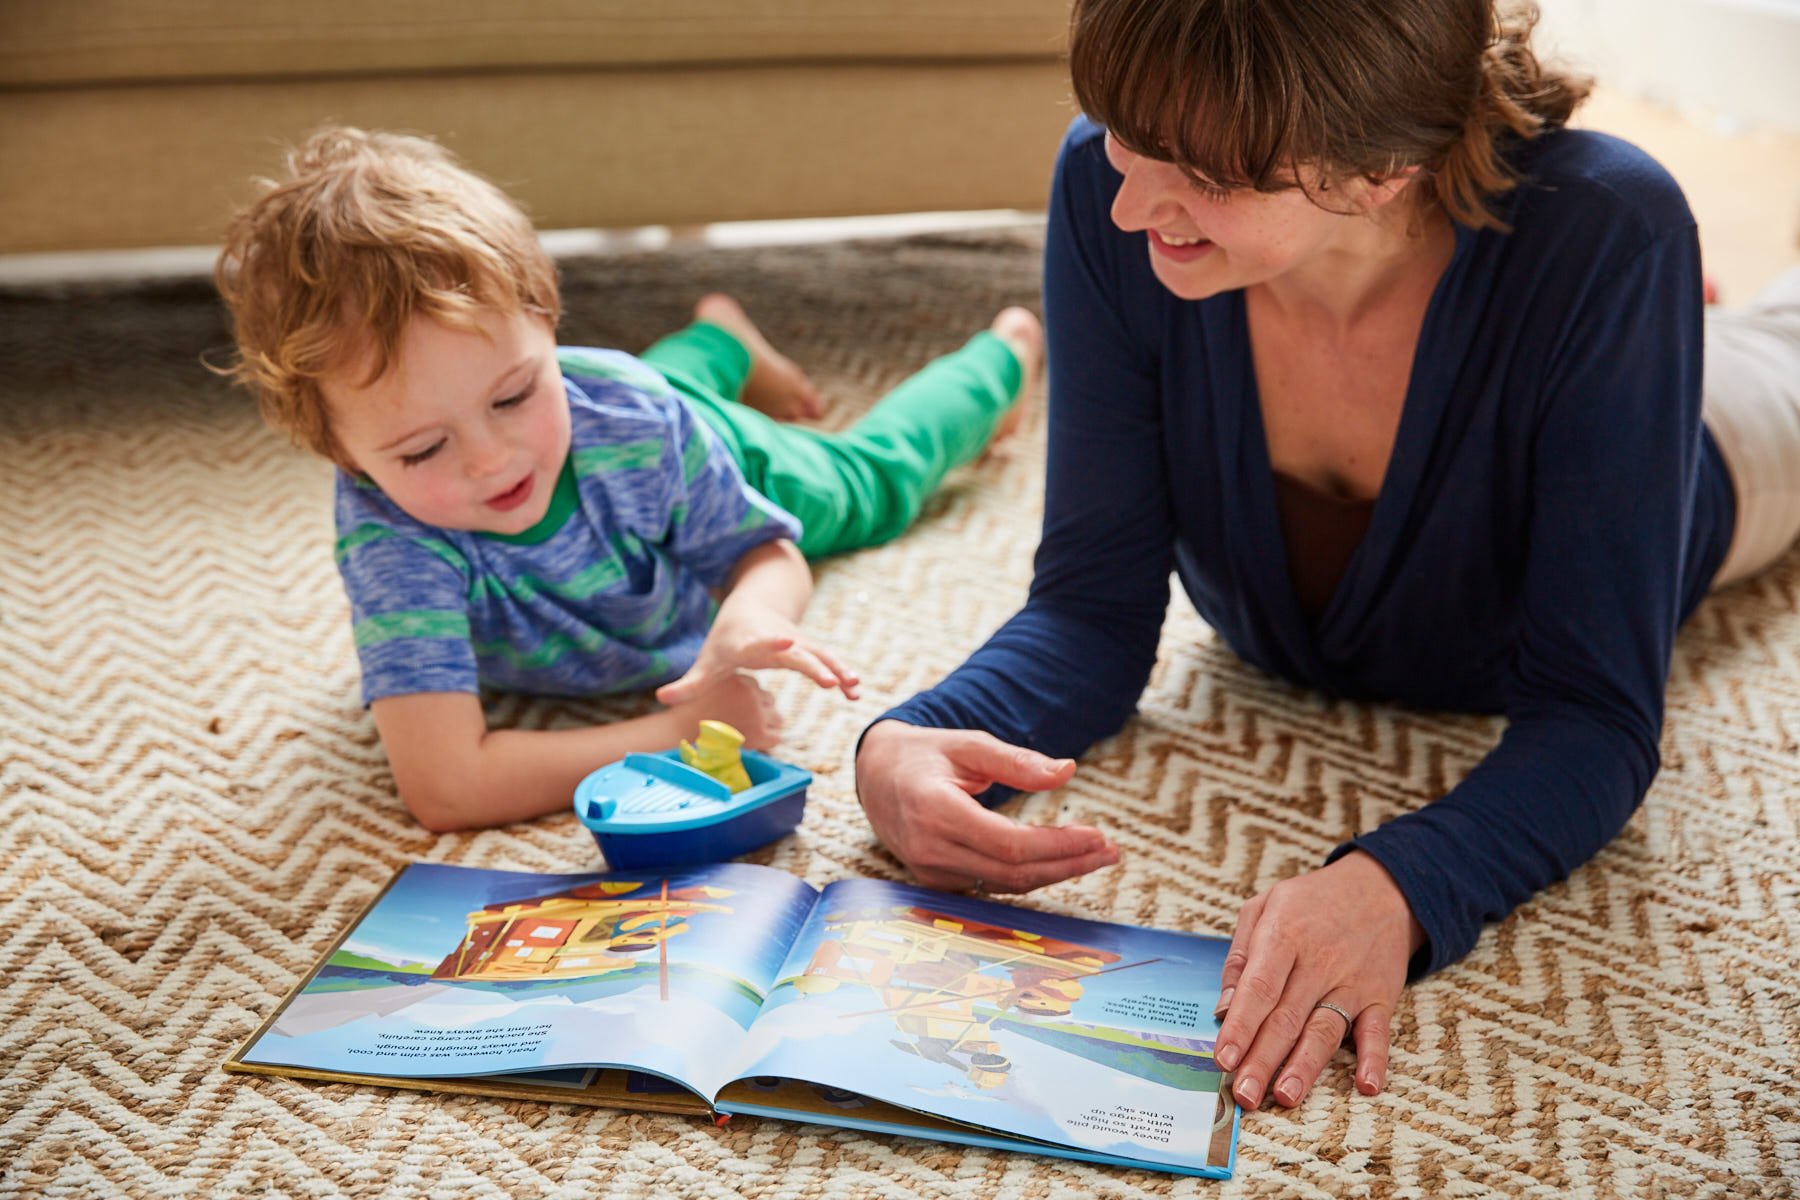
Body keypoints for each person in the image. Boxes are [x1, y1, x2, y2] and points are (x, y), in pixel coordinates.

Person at [854, 0, 1800, 1117]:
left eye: (1206, 175)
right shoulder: (1116, 203)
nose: (1127, 202)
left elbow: (1595, 716)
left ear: (1384, 169)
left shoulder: (1611, 229)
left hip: (1722, 438)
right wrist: (910, 739)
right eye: (1123, 133)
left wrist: (1395, 886)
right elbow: (1091, 612)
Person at [213, 126, 1042, 834]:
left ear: (547, 325)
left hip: (687, 440)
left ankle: (1003, 356)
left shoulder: (637, 423)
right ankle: (718, 339)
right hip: (625, 417)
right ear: (343, 454)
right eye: (424, 449)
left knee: (867, 489)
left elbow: (768, 555)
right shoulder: (387, 531)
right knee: (629, 394)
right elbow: (446, 788)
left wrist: (753, 615)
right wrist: (676, 734)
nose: (490, 459)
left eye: (513, 395)